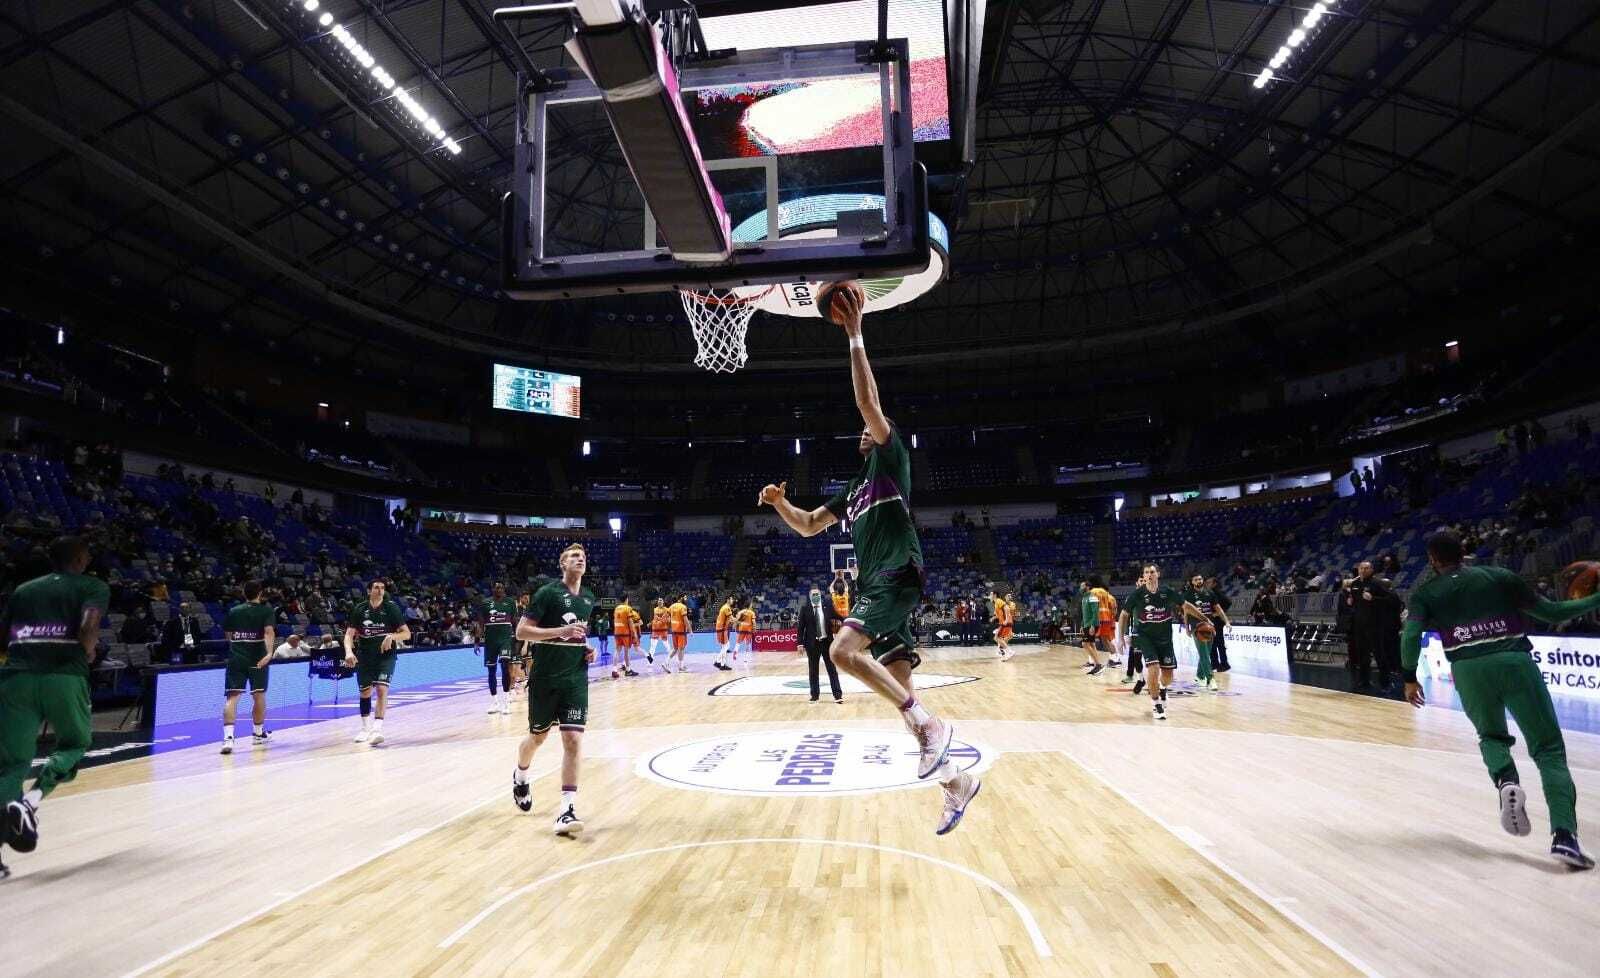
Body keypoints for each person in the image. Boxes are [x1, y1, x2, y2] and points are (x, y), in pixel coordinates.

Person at [757, 281, 978, 835]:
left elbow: (867, 402)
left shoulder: (889, 459)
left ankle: (931, 730)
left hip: (894, 573)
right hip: (879, 586)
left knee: (841, 651)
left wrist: (855, 334)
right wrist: (782, 503)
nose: (866, 428)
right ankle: (954, 779)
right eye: (864, 429)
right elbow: (809, 527)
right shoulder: (852, 490)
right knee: (898, 685)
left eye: (872, 428)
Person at [1402, 530, 1600, 869]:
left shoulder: (1425, 593)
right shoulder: (1501, 576)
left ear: (1433, 560)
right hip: (1513, 660)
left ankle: (1506, 780)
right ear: (1464, 551)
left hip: (1467, 669)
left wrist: (1409, 678)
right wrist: (1595, 599)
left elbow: (1409, 636)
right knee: (1548, 750)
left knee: (1491, 736)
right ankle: (1564, 837)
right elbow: (1552, 613)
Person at [0, 536, 109, 878]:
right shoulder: (92, 586)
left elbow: (4, 634)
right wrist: (88, 650)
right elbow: (90, 624)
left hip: (16, 678)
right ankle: (32, 801)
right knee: (75, 743)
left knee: (10, 764)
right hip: (64, 675)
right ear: (79, 558)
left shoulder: (24, 590)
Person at [510, 544, 595, 837]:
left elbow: (577, 635)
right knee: (538, 737)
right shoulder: (547, 593)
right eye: (573, 556)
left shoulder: (588, 597)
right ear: (563, 563)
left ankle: (566, 810)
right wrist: (560, 632)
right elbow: (522, 631)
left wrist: (586, 649)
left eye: (582, 556)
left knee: (572, 739)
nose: (579, 559)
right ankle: (521, 774)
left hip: (574, 679)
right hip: (545, 678)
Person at [1117, 563, 1210, 720]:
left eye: (1152, 572)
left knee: (1168, 677)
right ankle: (1156, 704)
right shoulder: (1137, 595)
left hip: (1165, 640)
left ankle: (1162, 688)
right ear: (1144, 576)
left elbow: (1186, 606)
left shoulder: (1167, 592)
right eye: (1146, 572)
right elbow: (1124, 615)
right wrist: (1121, 637)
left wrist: (1204, 618)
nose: (1149, 575)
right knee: (1153, 669)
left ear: (1158, 574)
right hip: (1146, 638)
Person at [342, 580, 410, 745]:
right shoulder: (360, 609)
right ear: (369, 590)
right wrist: (349, 652)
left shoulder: (391, 608)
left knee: (381, 689)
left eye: (382, 588)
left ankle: (377, 729)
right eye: (376, 588)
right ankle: (365, 728)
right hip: (365, 656)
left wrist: (392, 636)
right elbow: (349, 635)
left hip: (386, 655)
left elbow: (407, 634)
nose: (380, 590)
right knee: (365, 692)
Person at [220, 581, 276, 755]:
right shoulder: (266, 610)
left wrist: (239, 646)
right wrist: (269, 653)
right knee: (258, 695)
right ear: (260, 593)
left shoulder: (234, 611)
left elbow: (228, 635)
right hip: (258, 658)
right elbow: (268, 632)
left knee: (232, 697)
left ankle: (228, 739)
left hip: (237, 657)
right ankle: (258, 734)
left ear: (244, 593)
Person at [1345, 561, 1397, 692]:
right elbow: (1355, 603)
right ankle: (1364, 681)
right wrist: (1350, 602)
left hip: (1375, 625)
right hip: (1359, 625)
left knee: (1379, 654)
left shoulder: (1377, 583)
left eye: (1366, 568)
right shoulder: (1355, 584)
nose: (1363, 570)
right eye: (1361, 568)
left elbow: (1391, 601)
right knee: (1362, 655)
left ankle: (1386, 683)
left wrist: (1373, 599)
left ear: (1371, 569)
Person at [1181, 573, 1230, 692]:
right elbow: (1186, 612)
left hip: (1210, 626)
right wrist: (1187, 627)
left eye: (1200, 579)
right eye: (1196, 579)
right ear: (1192, 582)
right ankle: (1210, 679)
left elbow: (1218, 608)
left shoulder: (1210, 593)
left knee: (1206, 653)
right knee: (1203, 652)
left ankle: (1199, 676)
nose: (1198, 580)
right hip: (1196, 626)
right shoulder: (1188, 595)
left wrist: (1227, 621)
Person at [798, 585, 843, 703]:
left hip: (827, 643)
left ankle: (837, 695)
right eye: (813, 595)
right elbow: (800, 628)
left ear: (820, 595)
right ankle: (814, 695)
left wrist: (849, 622)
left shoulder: (827, 607)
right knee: (813, 671)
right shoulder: (805, 609)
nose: (816, 596)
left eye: (817, 594)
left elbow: (840, 617)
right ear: (810, 597)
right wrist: (800, 644)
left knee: (832, 669)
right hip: (812, 644)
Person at [478, 583, 518, 715]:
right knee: (491, 671)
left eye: (501, 587)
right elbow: (480, 623)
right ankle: (495, 702)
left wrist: (518, 637)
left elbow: (515, 621)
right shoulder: (485, 603)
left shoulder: (510, 602)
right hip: (490, 641)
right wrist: (477, 640)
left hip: (505, 640)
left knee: (505, 666)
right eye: (496, 587)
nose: (499, 589)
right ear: (492, 589)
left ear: (504, 589)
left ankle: (506, 702)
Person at [1078, 581, 1106, 676]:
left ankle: (1098, 665)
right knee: (1092, 645)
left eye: (1082, 586)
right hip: (1086, 624)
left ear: (1087, 587)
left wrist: (1093, 625)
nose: (1080, 588)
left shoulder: (1093, 597)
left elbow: (1095, 613)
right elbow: (1084, 614)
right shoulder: (1084, 598)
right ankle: (1096, 666)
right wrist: (1082, 625)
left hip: (1091, 624)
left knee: (1085, 644)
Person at [611, 598, 641, 678]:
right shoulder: (628, 608)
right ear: (627, 599)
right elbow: (630, 622)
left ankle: (614, 670)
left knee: (617, 651)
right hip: (625, 633)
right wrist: (634, 633)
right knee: (626, 652)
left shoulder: (616, 608)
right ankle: (628, 670)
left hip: (617, 632)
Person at [667, 594, 690, 673]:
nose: (686, 599)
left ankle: (666, 662)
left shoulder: (672, 606)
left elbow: (667, 617)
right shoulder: (683, 607)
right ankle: (681, 667)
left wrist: (670, 625)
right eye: (685, 597)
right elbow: (686, 620)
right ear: (681, 598)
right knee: (681, 649)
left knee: (676, 648)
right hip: (681, 631)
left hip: (673, 631)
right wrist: (690, 630)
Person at [647, 598, 670, 671]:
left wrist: (667, 620)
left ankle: (669, 659)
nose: (660, 601)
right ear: (657, 602)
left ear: (663, 602)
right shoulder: (654, 609)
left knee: (667, 646)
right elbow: (653, 619)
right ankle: (650, 662)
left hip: (663, 630)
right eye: (659, 600)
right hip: (655, 630)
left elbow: (669, 619)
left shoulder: (667, 609)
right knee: (652, 646)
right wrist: (650, 623)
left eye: (661, 600)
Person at [713, 596, 735, 671]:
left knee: (725, 646)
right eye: (732, 599)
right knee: (726, 646)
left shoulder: (725, 607)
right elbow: (732, 618)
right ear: (728, 600)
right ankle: (717, 661)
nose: (733, 600)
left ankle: (722, 665)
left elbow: (730, 620)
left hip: (722, 628)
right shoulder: (726, 608)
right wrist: (740, 621)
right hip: (721, 628)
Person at [991, 590, 1014, 661]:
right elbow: (999, 615)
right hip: (1003, 623)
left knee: (998, 638)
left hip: (1006, 622)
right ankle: (1003, 652)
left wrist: (1006, 620)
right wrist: (993, 617)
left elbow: (1006, 608)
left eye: (991, 594)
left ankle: (1009, 652)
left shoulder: (998, 600)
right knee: (997, 638)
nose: (990, 595)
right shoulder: (996, 603)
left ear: (994, 595)